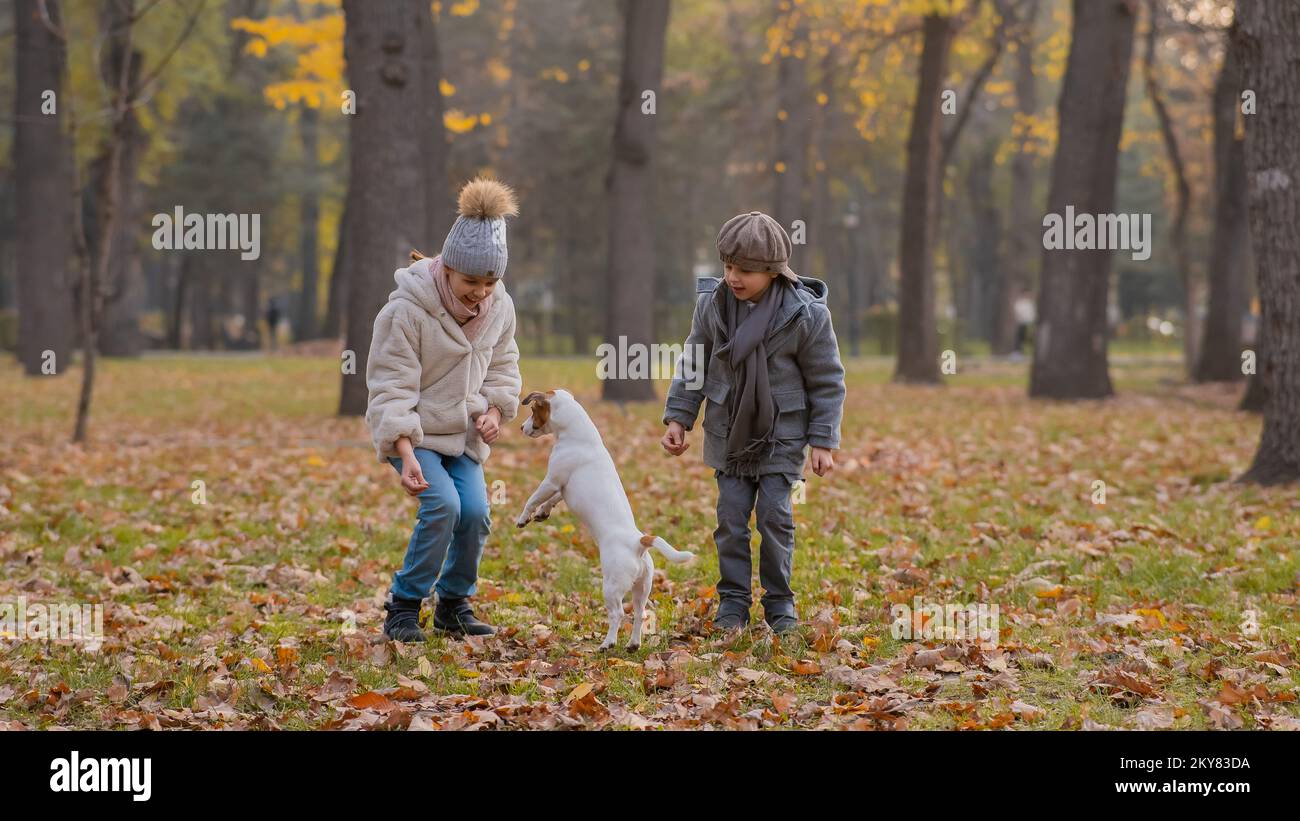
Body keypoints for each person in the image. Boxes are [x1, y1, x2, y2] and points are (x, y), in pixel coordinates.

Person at [661, 211, 846, 634]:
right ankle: (733, 602)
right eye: (727, 266)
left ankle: (780, 602)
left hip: (782, 434)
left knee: (775, 516)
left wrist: (823, 440)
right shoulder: (712, 305)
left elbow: (827, 379)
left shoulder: (806, 315)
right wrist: (679, 417)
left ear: (772, 271)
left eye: (743, 270)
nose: (732, 277)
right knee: (730, 518)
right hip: (728, 432)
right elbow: (695, 361)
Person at [364, 178, 522, 642]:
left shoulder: (499, 308)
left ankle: (454, 604)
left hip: (464, 436)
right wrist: (405, 451)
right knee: (443, 507)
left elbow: (504, 366)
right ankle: (404, 606)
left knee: (474, 513)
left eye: (490, 282)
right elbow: (390, 386)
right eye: (471, 281)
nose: (481, 292)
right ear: (447, 268)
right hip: (414, 434)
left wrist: (494, 410)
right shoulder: (406, 312)